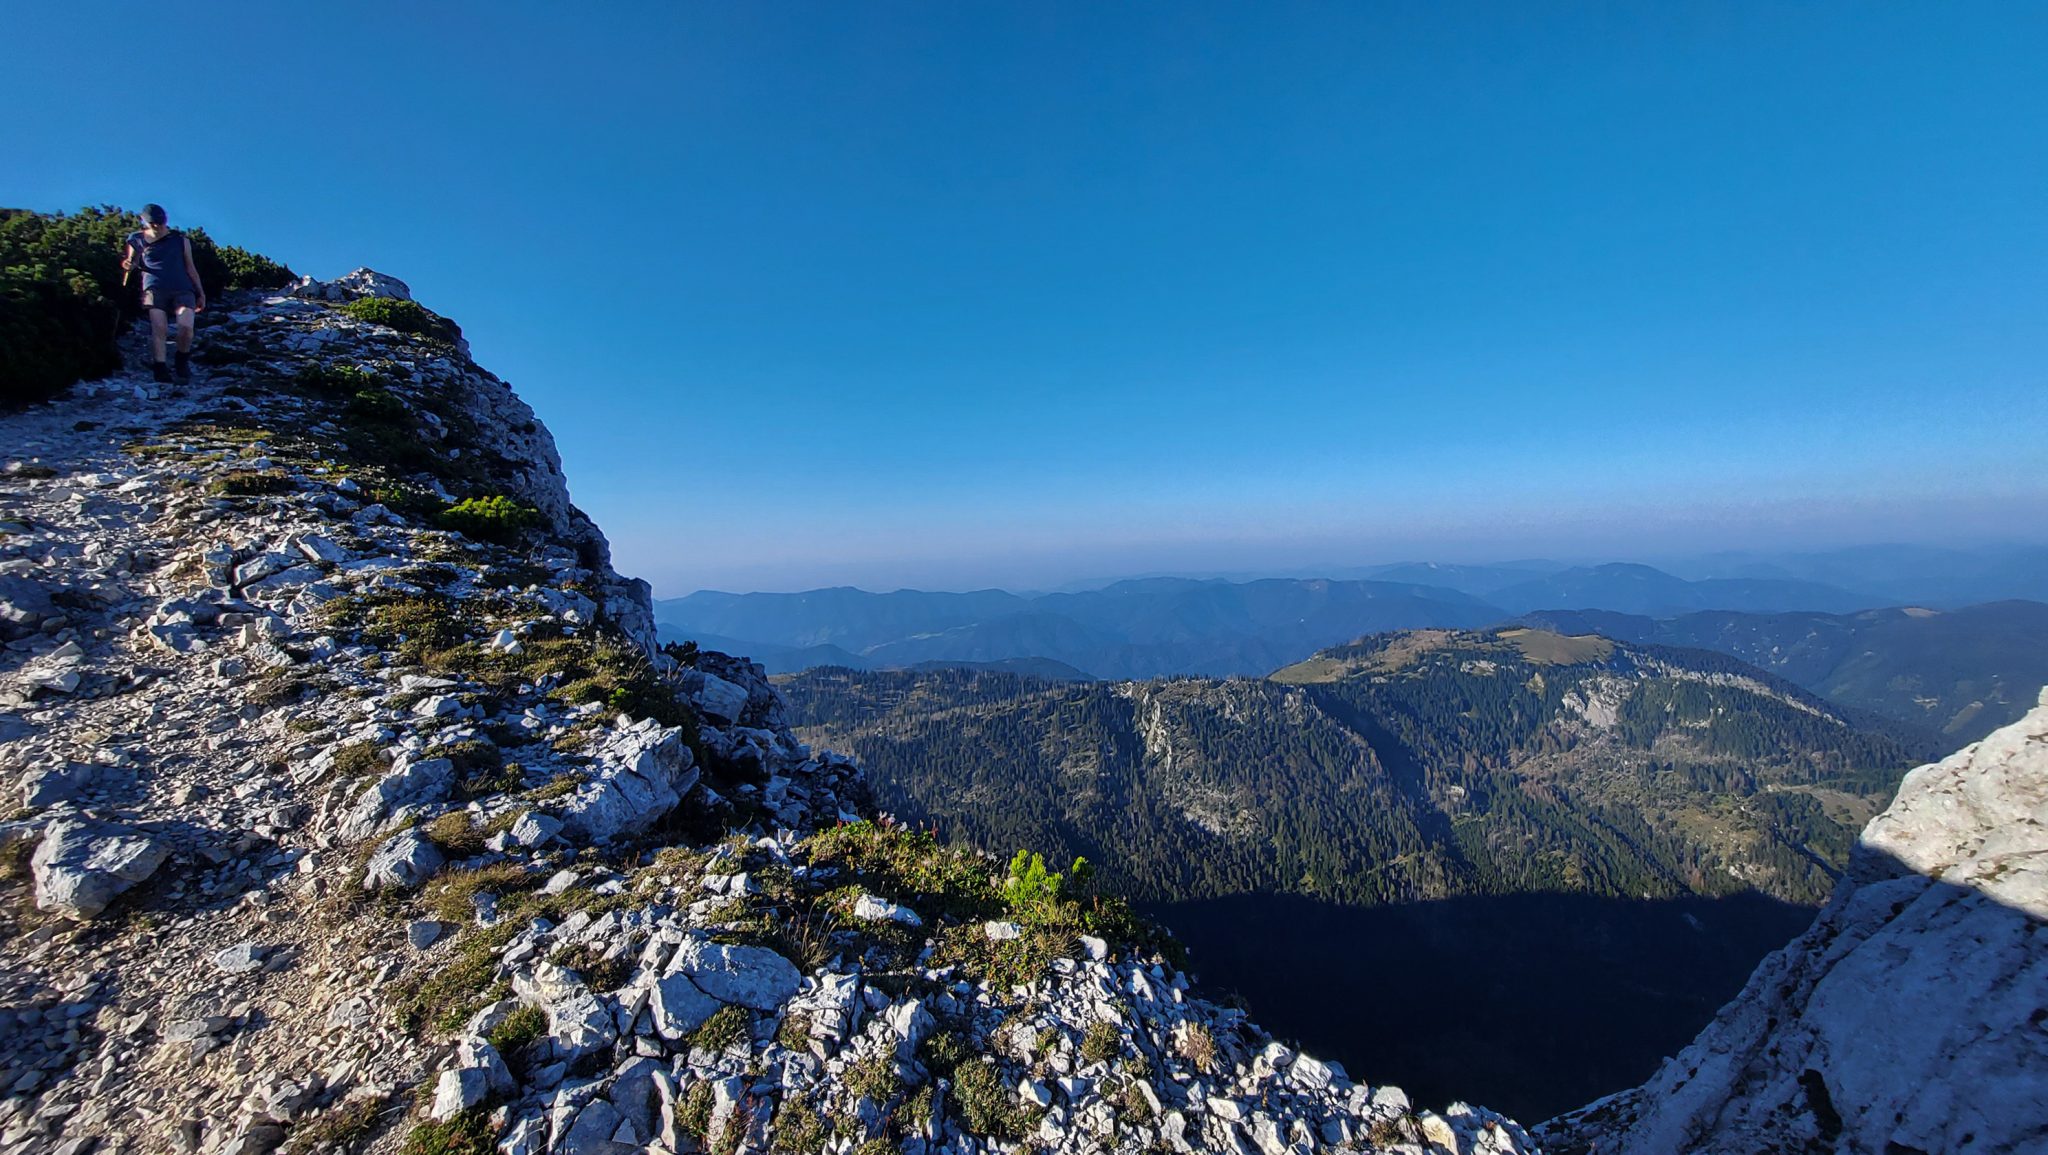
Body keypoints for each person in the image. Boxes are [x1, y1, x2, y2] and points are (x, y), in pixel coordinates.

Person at [120, 204, 205, 384]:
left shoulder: (180, 240)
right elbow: (132, 262)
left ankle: (181, 360)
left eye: (160, 222)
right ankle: (160, 367)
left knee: (186, 326)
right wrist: (128, 265)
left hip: (183, 288)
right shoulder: (136, 239)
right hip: (154, 288)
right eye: (153, 223)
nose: (157, 226)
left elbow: (190, 267)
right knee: (159, 328)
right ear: (145, 222)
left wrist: (200, 292)